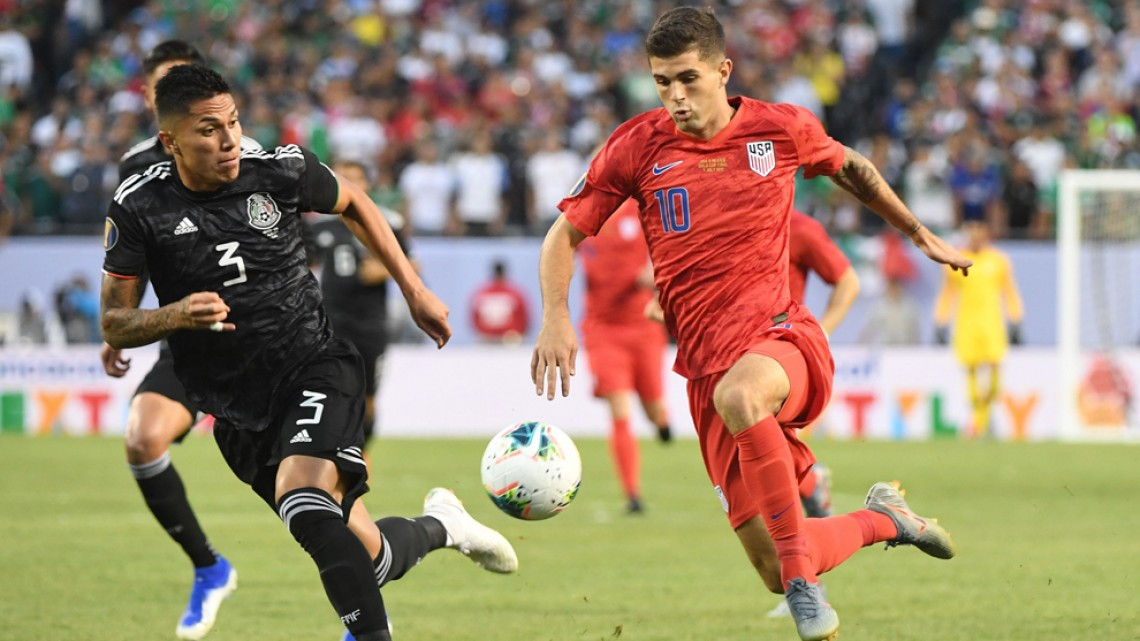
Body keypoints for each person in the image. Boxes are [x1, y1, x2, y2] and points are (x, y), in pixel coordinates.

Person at [530, 9, 969, 640]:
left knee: (745, 398)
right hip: (704, 373)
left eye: (687, 78)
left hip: (783, 339)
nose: (676, 96)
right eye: (662, 83)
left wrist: (919, 233)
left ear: (722, 70)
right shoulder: (636, 145)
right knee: (770, 559)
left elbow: (853, 169)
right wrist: (555, 317)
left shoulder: (780, 129)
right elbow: (562, 236)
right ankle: (886, 520)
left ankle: (804, 587)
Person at [101, 64, 516, 641]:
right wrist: (174, 315)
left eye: (233, 122)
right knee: (367, 558)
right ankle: (443, 526)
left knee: (304, 497)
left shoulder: (278, 169)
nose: (228, 141)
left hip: (313, 364)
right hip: (237, 409)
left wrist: (414, 290)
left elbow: (355, 202)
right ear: (169, 141)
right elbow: (115, 322)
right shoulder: (139, 206)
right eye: (207, 130)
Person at [98, 40, 263, 641]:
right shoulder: (133, 172)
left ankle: (369, 604)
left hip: (265, 338)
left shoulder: (245, 156)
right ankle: (209, 566)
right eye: (165, 86)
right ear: (152, 99)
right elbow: (131, 257)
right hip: (189, 339)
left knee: (312, 493)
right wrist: (123, 324)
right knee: (142, 439)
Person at [762, 211, 859, 620]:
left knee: (763, 469)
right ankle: (809, 478)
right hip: (737, 353)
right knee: (766, 462)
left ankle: (802, 585)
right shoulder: (733, 216)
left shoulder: (798, 228)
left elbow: (847, 281)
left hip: (779, 356)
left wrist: (818, 333)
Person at [310, 159, 409, 463]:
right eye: (341, 178)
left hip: (370, 323)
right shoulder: (321, 225)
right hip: (330, 321)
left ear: (366, 185)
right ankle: (333, 454)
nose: (347, 185)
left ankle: (361, 453)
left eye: (354, 179)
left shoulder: (386, 222)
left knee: (367, 398)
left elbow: (409, 264)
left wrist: (375, 272)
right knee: (330, 391)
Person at [578, 198, 672, 514]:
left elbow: (671, 239)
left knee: (652, 408)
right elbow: (560, 250)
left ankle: (662, 422)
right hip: (603, 330)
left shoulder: (641, 206)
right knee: (619, 407)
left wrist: (655, 269)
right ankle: (632, 495)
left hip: (643, 327)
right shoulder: (581, 216)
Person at [934, 220, 1023, 438]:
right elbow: (948, 293)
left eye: (978, 229)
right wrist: (941, 320)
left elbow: (1009, 291)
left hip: (992, 322)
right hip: (966, 323)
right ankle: (979, 423)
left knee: (995, 370)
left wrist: (1016, 318)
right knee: (971, 371)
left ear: (986, 232)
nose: (974, 234)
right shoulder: (955, 259)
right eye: (970, 230)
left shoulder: (999, 260)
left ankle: (983, 417)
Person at [470, 260, 530, 344]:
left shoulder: (482, 293)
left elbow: (475, 317)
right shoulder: (514, 293)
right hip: (509, 338)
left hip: (488, 338)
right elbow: (524, 316)